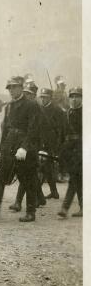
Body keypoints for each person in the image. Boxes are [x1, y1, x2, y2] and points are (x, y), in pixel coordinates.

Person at [0, 76, 41, 222]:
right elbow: (5, 128)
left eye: (14, 87)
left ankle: (31, 212)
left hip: (25, 145)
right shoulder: (9, 106)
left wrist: (24, 147)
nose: (11, 90)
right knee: (0, 177)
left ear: (21, 87)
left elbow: (34, 129)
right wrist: (1, 150)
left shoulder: (31, 105)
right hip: (10, 144)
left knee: (28, 179)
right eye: (9, 88)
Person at [9, 81, 46, 211]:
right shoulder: (23, 107)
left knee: (27, 175)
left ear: (34, 95)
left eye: (29, 94)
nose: (26, 96)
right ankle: (39, 198)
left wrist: (43, 148)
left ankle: (19, 202)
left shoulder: (37, 107)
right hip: (25, 144)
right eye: (25, 93)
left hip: (33, 145)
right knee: (27, 175)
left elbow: (40, 130)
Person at [38, 87, 67, 200]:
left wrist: (59, 145)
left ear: (50, 98)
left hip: (51, 143)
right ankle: (54, 192)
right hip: (40, 142)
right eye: (42, 97)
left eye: (45, 97)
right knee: (47, 168)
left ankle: (38, 196)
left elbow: (62, 129)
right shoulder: (39, 108)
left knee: (42, 167)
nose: (43, 99)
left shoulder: (57, 110)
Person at [58, 87, 82, 218]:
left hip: (81, 149)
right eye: (72, 96)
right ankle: (84, 207)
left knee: (74, 178)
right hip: (69, 149)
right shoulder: (67, 113)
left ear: (82, 98)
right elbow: (62, 133)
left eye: (77, 96)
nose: (74, 99)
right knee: (77, 178)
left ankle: (65, 207)